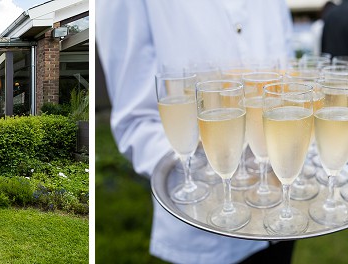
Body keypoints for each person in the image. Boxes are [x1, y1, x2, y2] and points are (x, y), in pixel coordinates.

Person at [97, 1, 296, 263]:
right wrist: (207, 172)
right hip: (207, 236)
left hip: (281, 212)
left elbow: (287, 77)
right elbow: (136, 121)